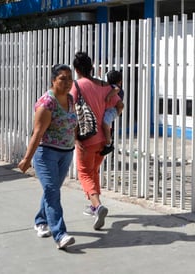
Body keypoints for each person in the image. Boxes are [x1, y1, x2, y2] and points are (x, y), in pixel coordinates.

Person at [18, 64, 77, 250]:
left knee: (51, 191)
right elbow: (37, 133)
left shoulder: (70, 99)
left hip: (66, 152)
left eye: (70, 78)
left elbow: (72, 124)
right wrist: (27, 159)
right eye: (62, 78)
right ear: (53, 80)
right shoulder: (46, 103)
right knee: (53, 192)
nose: (67, 83)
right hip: (46, 154)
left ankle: (40, 220)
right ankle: (60, 234)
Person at [70, 52, 123, 230]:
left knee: (84, 174)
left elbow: (71, 112)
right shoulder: (104, 85)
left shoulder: (76, 86)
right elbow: (118, 105)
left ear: (76, 69)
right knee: (94, 172)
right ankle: (93, 206)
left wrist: (74, 137)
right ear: (91, 66)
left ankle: (98, 205)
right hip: (103, 139)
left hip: (86, 138)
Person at [100, 70, 124, 156]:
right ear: (120, 81)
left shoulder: (115, 87)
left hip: (112, 110)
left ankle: (108, 144)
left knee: (105, 122)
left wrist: (109, 96)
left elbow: (116, 89)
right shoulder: (111, 87)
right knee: (106, 124)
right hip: (111, 110)